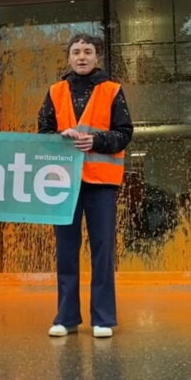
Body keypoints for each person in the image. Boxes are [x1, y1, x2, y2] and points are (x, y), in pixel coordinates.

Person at [39, 33, 133, 339]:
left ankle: (103, 318)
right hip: (64, 184)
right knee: (66, 250)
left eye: (88, 52)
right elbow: (42, 135)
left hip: (102, 183)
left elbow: (124, 133)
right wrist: (58, 137)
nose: (82, 56)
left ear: (97, 57)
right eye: (76, 52)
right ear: (68, 58)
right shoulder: (54, 92)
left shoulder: (113, 90)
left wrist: (97, 140)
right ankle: (66, 318)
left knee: (102, 250)